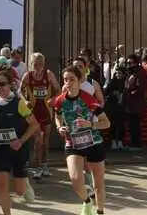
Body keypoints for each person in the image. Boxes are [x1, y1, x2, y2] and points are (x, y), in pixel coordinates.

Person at [53, 65, 110, 215]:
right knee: (75, 179)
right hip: (73, 143)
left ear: (79, 81)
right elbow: (57, 117)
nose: (68, 83)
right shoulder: (59, 101)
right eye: (65, 80)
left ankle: (100, 211)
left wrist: (90, 124)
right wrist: (60, 127)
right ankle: (86, 201)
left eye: (72, 79)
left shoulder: (88, 99)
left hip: (94, 142)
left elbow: (106, 123)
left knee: (98, 184)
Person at [0, 71, 37, 215]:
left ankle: (24, 182)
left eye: (2, 84)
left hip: (19, 149)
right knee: (2, 186)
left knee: (19, 192)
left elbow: (34, 125)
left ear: (10, 85)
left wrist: (21, 140)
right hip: (2, 150)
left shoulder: (19, 103)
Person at [20, 52, 59, 179]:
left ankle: (45, 165)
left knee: (46, 139)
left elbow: (59, 90)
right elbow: (19, 90)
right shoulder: (27, 76)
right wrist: (25, 100)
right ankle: (37, 167)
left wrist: (53, 99)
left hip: (46, 110)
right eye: (35, 64)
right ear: (31, 64)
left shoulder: (48, 74)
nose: (38, 66)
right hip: (33, 112)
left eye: (40, 64)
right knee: (38, 140)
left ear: (44, 64)